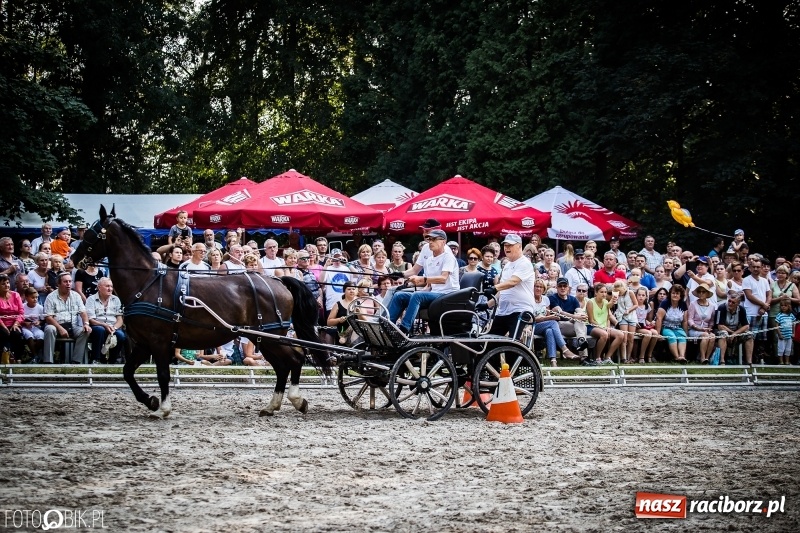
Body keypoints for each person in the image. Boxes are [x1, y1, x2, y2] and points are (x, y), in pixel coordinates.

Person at [387, 229, 458, 335]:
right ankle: (386, 327)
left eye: (434, 239)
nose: (430, 242)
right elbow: (429, 285)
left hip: (448, 294)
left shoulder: (448, 257)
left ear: (443, 241)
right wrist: (402, 276)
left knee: (417, 296)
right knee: (399, 295)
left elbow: (443, 279)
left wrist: (421, 280)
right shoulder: (429, 260)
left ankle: (404, 330)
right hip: (434, 293)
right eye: (429, 239)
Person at [483, 234, 535, 339]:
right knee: (490, 342)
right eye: (505, 245)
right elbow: (502, 290)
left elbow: (513, 282)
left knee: (512, 343)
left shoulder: (524, 263)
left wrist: (494, 288)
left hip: (520, 310)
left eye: (510, 245)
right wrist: (487, 305)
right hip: (503, 311)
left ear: (519, 246)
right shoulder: (507, 265)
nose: (506, 248)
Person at [523, 279, 578, 367]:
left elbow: (547, 316)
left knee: (550, 330)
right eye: (536, 286)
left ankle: (553, 361)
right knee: (553, 322)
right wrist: (548, 318)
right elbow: (530, 319)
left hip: (544, 325)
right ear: (532, 288)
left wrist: (549, 317)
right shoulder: (529, 299)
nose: (538, 288)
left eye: (541, 287)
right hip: (531, 325)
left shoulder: (545, 299)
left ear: (544, 289)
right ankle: (565, 349)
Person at [42, 272, 91, 364]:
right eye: (65, 282)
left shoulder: (76, 296)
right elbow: (48, 317)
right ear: (58, 284)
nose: (68, 284)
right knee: (49, 328)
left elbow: (83, 312)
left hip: (73, 326)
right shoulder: (51, 297)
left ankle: (76, 362)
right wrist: (60, 328)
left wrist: (86, 324)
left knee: (86, 330)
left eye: (70, 281)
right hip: (56, 326)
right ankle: (48, 362)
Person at [548, 277, 591, 364]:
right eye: (560, 286)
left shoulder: (573, 299)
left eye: (565, 286)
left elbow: (579, 311)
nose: (562, 288)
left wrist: (582, 315)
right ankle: (584, 356)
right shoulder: (552, 298)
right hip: (558, 325)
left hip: (572, 325)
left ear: (568, 288)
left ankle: (583, 355)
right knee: (580, 324)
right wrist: (574, 316)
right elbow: (560, 312)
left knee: (580, 322)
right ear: (557, 287)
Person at [85, 277, 126, 364]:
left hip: (113, 326)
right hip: (97, 325)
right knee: (100, 330)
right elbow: (91, 320)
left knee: (121, 335)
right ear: (99, 287)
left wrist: (114, 328)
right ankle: (96, 359)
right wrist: (104, 325)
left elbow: (120, 320)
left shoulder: (116, 299)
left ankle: (112, 361)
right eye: (107, 286)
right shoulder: (91, 299)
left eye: (111, 286)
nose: (110, 289)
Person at [585, 283, 625, 364]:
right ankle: (597, 358)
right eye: (601, 292)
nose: (604, 294)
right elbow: (591, 320)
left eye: (605, 292)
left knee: (620, 335)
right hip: (591, 326)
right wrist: (602, 327)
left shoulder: (606, 301)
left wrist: (608, 327)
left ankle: (607, 357)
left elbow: (608, 317)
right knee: (604, 334)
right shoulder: (590, 302)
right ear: (596, 293)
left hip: (603, 327)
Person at [742, 257, 771, 362]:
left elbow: (769, 294)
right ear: (750, 268)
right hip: (751, 313)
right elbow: (749, 296)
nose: (755, 269)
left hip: (763, 314)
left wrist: (764, 307)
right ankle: (749, 360)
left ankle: (760, 360)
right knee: (750, 337)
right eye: (753, 267)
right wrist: (764, 305)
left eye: (758, 267)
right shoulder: (746, 280)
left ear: (761, 267)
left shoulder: (765, 280)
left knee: (762, 339)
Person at [714, 290, 753, 365]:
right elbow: (720, 326)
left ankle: (749, 362)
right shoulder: (721, 308)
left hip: (736, 331)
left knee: (749, 335)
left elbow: (746, 326)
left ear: (738, 304)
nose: (730, 303)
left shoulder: (741, 309)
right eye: (729, 301)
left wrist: (735, 333)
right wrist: (732, 333)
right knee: (723, 334)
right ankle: (722, 360)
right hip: (723, 330)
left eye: (733, 302)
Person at [654, 284, 689, 363]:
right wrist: (658, 334)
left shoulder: (683, 304)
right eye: (673, 293)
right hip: (666, 327)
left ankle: (682, 356)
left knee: (682, 336)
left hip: (678, 327)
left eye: (677, 293)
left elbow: (684, 321)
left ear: (680, 295)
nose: (675, 295)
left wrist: (686, 333)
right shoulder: (665, 303)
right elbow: (659, 319)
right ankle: (676, 357)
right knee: (672, 337)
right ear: (670, 294)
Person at [687, 282, 716, 364]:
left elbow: (711, 321)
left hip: (706, 329)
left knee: (712, 336)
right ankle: (702, 358)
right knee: (705, 335)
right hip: (694, 329)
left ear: (707, 293)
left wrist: (709, 328)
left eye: (703, 292)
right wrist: (698, 328)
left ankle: (707, 357)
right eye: (699, 292)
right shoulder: (693, 304)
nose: (701, 293)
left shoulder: (712, 306)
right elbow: (690, 320)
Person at [320, 248, 353, 319]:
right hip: (332, 303)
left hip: (346, 303)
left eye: (339, 258)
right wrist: (326, 265)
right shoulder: (328, 268)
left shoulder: (346, 268)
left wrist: (347, 263)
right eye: (335, 258)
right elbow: (321, 281)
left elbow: (357, 276)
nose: (337, 260)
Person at [612, 279, 639, 364]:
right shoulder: (616, 295)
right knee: (624, 338)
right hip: (622, 316)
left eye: (619, 291)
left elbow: (636, 304)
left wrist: (629, 310)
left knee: (631, 339)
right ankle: (623, 358)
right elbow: (614, 305)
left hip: (631, 317)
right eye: (617, 291)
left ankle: (628, 357)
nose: (618, 292)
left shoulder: (630, 293)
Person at [0, 273, 25, 362]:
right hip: (1, 324)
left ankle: (17, 358)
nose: (6, 285)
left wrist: (16, 324)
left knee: (16, 334)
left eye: (7, 283)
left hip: (15, 323)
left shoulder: (15, 295)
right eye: (3, 284)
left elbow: (21, 312)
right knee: (4, 334)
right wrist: (4, 327)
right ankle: (6, 358)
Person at [633, 287, 658, 363]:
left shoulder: (647, 306)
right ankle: (641, 356)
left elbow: (645, 319)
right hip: (635, 327)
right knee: (648, 333)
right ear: (636, 295)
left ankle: (649, 355)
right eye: (639, 295)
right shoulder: (634, 305)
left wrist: (649, 323)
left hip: (643, 325)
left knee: (655, 333)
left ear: (646, 297)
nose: (641, 297)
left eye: (643, 295)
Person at [775, 299, 795, 365]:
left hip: (789, 336)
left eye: (785, 305)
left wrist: (793, 333)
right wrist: (779, 334)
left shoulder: (791, 315)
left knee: (788, 349)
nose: (783, 307)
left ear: (789, 306)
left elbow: (793, 324)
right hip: (782, 335)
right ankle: (781, 361)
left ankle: (787, 361)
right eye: (782, 305)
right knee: (781, 349)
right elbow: (776, 325)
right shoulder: (779, 315)